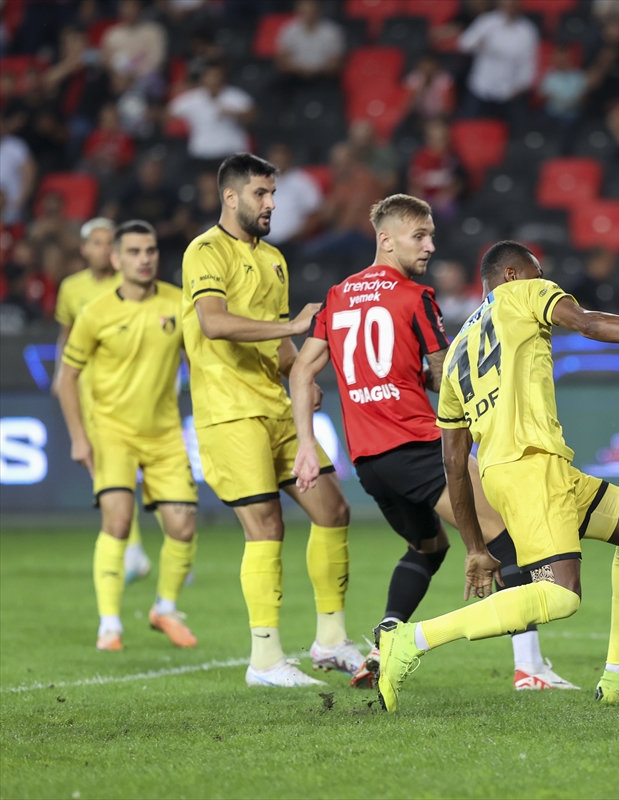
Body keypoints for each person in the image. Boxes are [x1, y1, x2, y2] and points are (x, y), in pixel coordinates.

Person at [371, 240, 619, 711]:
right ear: (509, 275)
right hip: (531, 468)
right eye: (536, 272)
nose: (547, 282)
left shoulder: (459, 348)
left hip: (524, 469)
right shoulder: (522, 294)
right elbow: (588, 322)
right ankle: (410, 640)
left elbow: (454, 463)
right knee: (560, 596)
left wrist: (476, 547)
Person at [289, 195, 579, 692]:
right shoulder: (414, 297)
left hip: (370, 460)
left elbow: (301, 370)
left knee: (427, 547)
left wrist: (307, 445)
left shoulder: (337, 296)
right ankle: (530, 669)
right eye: (419, 236)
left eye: (430, 235)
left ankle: (383, 648)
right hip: (417, 443)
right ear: (386, 239)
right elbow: (448, 372)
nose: (430, 245)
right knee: (504, 537)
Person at [181, 153, 359, 688]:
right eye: (262, 194)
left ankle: (330, 639)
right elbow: (213, 323)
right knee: (266, 528)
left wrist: (299, 372)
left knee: (333, 509)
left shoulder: (275, 259)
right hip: (229, 412)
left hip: (276, 407)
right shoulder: (204, 251)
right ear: (231, 196)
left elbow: (279, 340)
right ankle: (265, 660)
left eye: (273, 194)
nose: (272, 204)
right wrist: (293, 324)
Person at [56, 220, 200, 652]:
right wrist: (79, 437)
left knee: (183, 526)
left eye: (151, 251)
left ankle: (164, 608)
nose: (144, 259)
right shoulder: (95, 312)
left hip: (163, 435)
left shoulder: (178, 303)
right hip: (112, 432)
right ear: (116, 259)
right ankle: (109, 625)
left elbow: (197, 363)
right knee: (117, 522)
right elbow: (67, 379)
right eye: (134, 252)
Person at [51, 217, 155, 583]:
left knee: (136, 474)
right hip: (87, 391)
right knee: (109, 474)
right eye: (95, 242)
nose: (102, 249)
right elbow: (67, 334)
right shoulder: (71, 288)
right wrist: (59, 375)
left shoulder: (133, 283)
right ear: (84, 249)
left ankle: (151, 547)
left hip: (129, 389)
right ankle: (134, 549)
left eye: (108, 242)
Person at [458, 0, 539, 123]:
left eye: (512, 4)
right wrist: (478, 43)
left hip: (510, 90)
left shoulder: (527, 30)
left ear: (519, 6)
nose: (509, 8)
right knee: (469, 125)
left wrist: (523, 85)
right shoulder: (486, 22)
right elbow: (463, 44)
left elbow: (529, 61)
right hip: (482, 86)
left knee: (517, 129)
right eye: (505, 4)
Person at [167, 60, 254, 164]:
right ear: (203, 78)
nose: (213, 80)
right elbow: (168, 113)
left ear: (223, 78)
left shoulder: (234, 96)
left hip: (231, 154)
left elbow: (254, 115)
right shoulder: (193, 98)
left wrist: (233, 114)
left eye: (216, 76)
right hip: (202, 155)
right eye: (210, 76)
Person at [262, 142, 322, 247]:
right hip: (263, 241)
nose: (278, 163)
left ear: (290, 159)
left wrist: (298, 235)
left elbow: (316, 214)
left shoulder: (302, 182)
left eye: (281, 159)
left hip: (293, 242)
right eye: (275, 159)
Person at [274, 0, 344, 88]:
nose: (308, 15)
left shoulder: (332, 31)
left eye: (311, 12)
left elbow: (336, 62)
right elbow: (281, 60)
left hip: (323, 76)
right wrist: (299, 69)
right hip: (295, 75)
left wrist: (315, 70)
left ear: (318, 11)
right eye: (304, 12)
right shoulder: (289, 30)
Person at [406, 118, 463, 223]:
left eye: (442, 139)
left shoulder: (453, 157)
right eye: (434, 139)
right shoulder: (420, 158)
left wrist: (447, 194)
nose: (439, 144)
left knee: (449, 210)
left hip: (445, 199)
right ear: (428, 139)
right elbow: (414, 185)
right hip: (425, 197)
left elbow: (458, 182)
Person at [432, 259, 479, 334]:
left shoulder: (474, 304)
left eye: (452, 277)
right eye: (445, 277)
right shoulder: (429, 304)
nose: (449, 281)